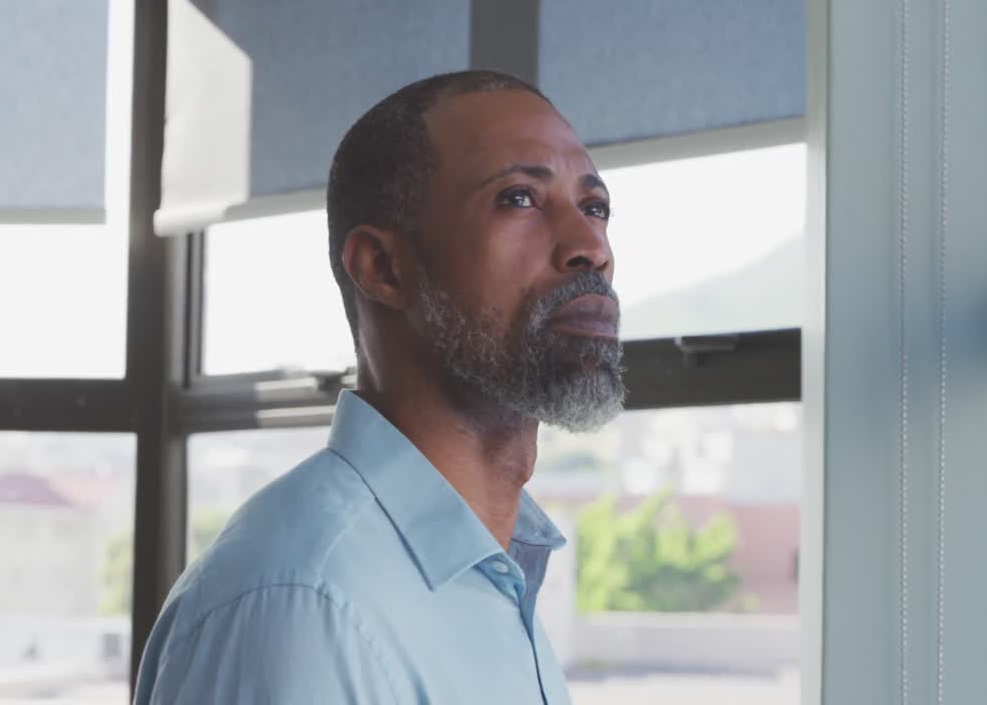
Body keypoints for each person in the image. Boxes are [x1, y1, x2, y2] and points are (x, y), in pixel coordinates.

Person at [134, 70, 624, 704]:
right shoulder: (303, 608)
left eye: (595, 207)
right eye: (520, 198)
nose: (590, 246)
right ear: (383, 267)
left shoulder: (498, 578)